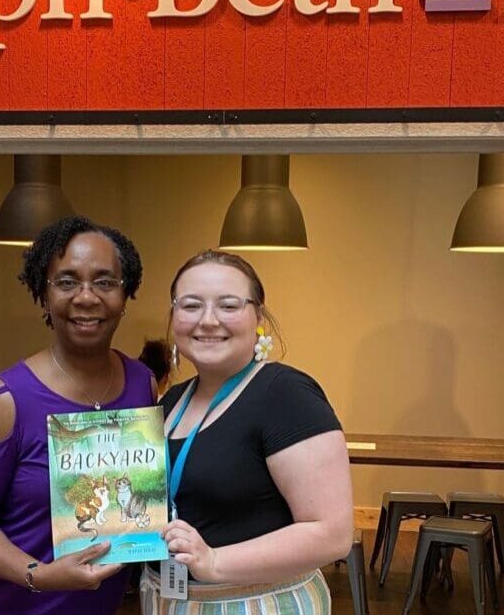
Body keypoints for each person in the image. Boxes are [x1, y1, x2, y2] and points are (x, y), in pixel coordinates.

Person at [0, 216, 156, 615]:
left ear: (126, 295)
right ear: (44, 293)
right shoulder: (5, 403)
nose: (87, 297)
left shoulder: (142, 385)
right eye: (67, 281)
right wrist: (39, 574)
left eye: (105, 281)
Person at [140, 250, 353, 614]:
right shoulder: (173, 399)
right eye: (190, 305)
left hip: (255, 603)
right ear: (174, 317)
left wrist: (215, 562)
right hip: (169, 599)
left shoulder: (285, 394)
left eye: (228, 305)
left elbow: (332, 534)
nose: (208, 321)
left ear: (258, 317)